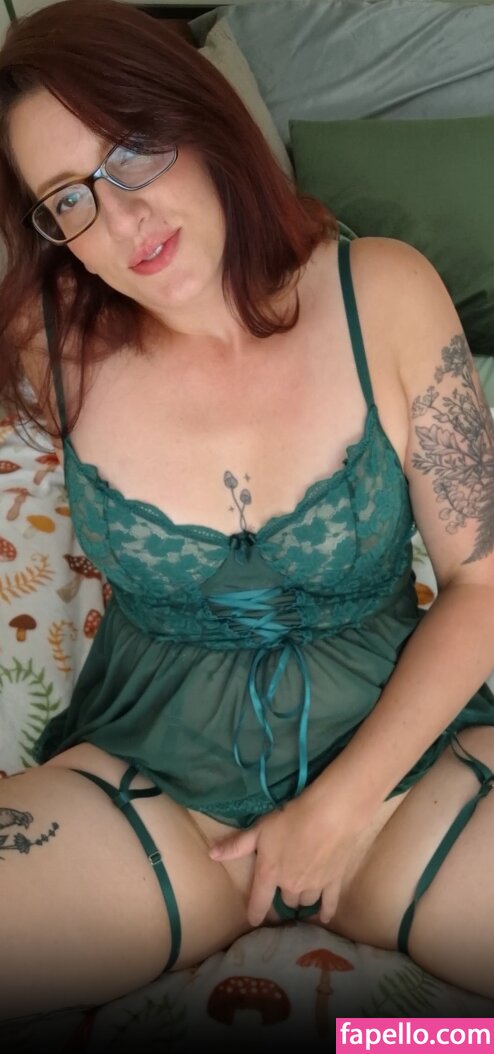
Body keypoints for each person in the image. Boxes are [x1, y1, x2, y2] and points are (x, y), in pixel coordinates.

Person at [0, 0, 493, 1022]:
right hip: (153, 794)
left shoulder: (383, 292)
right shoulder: (52, 352)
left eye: (133, 151)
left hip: (404, 780)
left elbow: (483, 584)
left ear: (201, 117)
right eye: (67, 198)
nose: (121, 221)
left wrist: (335, 812)